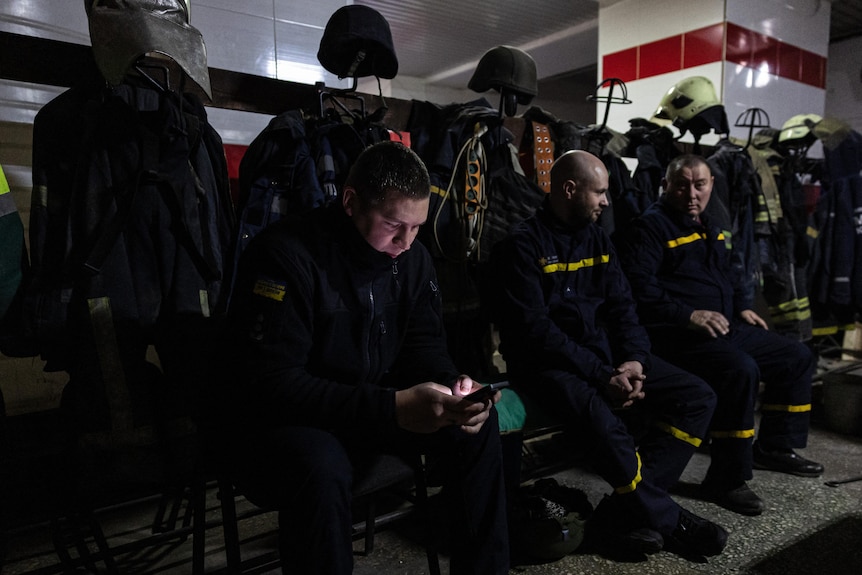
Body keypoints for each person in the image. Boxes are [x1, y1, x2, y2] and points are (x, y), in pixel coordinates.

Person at [208, 141, 509, 574]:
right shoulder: (284, 255)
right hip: (285, 422)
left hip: (369, 412)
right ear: (349, 202)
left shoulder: (414, 259)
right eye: (393, 224)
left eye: (417, 227)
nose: (406, 242)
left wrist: (452, 386)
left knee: (477, 426)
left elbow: (424, 346)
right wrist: (392, 408)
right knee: (321, 462)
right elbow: (272, 384)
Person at [489, 149, 727, 561]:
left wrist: (634, 360)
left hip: (604, 361)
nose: (606, 201)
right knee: (603, 416)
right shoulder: (521, 247)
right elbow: (537, 334)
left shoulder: (598, 238)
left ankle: (622, 515)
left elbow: (623, 308)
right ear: (569, 189)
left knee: (697, 397)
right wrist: (604, 375)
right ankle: (670, 520)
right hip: (547, 367)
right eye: (599, 192)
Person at [617, 153, 824, 517]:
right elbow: (638, 291)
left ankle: (775, 447)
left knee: (796, 356)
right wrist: (688, 315)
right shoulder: (649, 228)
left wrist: (743, 305)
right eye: (681, 185)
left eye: (700, 184)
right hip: (676, 334)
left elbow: (729, 269)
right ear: (665, 186)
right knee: (740, 370)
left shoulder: (712, 223)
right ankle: (727, 479)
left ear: (712, 185)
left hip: (724, 325)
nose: (691, 193)